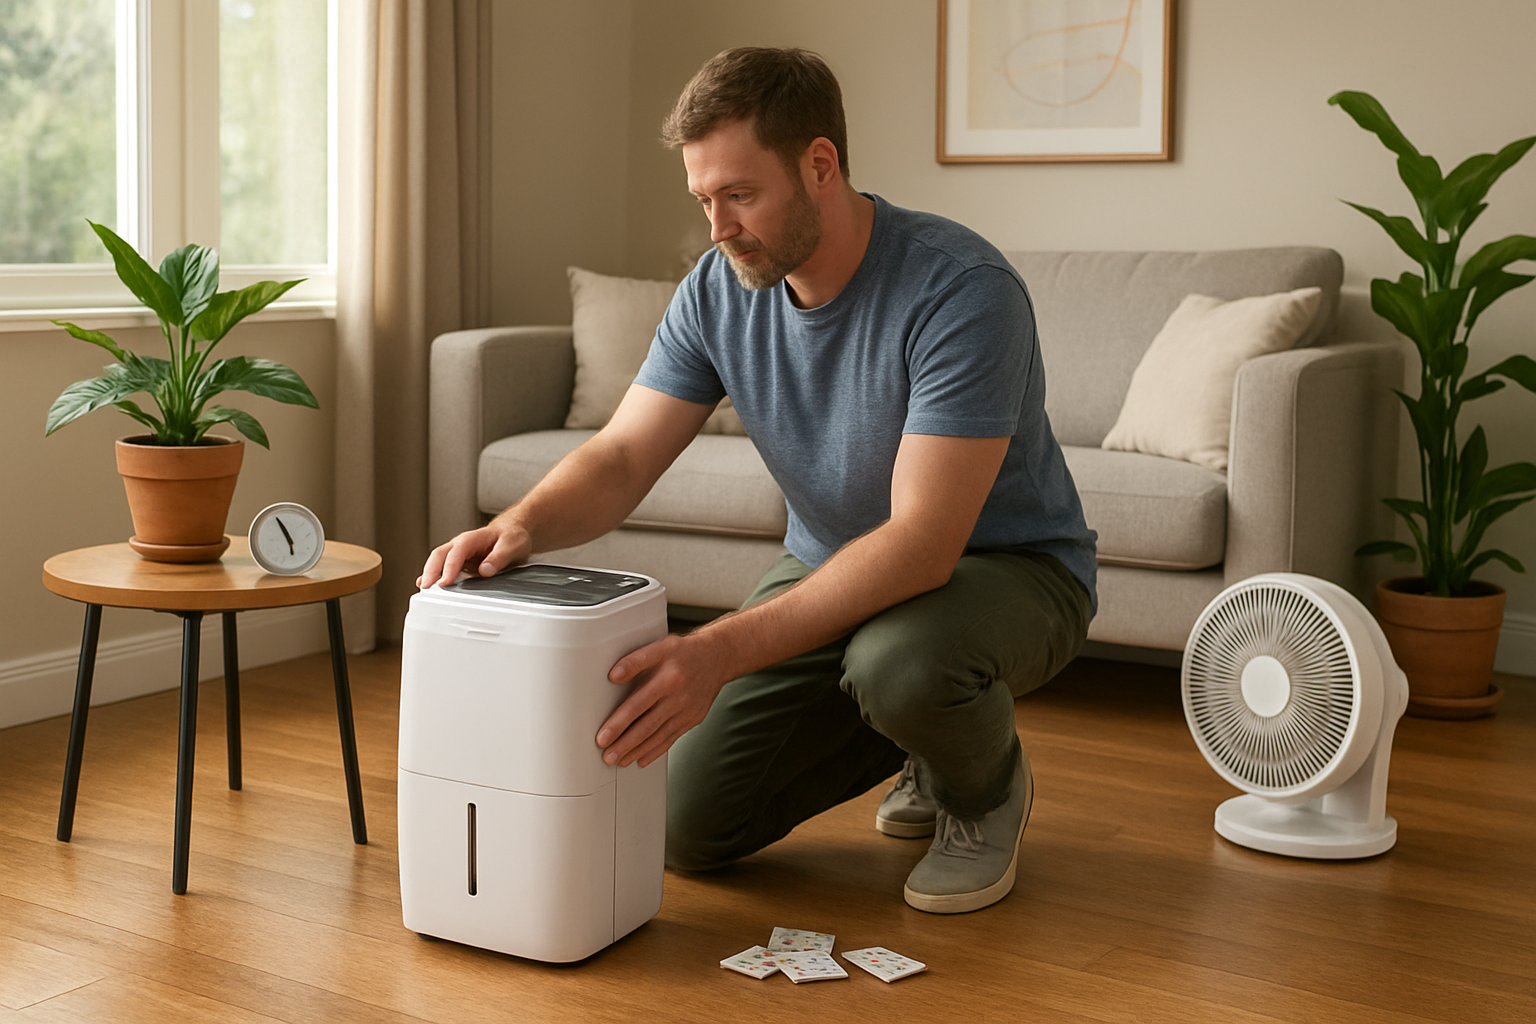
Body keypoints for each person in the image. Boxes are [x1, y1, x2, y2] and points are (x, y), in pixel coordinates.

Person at [418, 46, 1096, 914]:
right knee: (687, 830)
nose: (718, 228)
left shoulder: (961, 289)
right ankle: (919, 738)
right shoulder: (718, 287)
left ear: (820, 166)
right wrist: (525, 523)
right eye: (704, 199)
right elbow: (625, 453)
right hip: (834, 565)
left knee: (903, 664)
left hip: (1008, 569)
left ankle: (985, 783)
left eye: (739, 195)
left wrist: (716, 650)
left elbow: (924, 544)